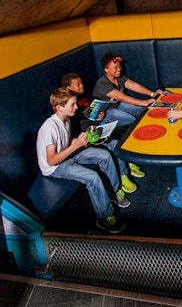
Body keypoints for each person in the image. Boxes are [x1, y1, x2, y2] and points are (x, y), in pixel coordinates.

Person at [36, 87, 130, 234]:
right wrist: (77, 145)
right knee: (93, 177)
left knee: (105, 156)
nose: (77, 106)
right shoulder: (49, 128)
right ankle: (104, 218)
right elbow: (51, 161)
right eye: (72, 104)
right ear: (60, 108)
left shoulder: (65, 120)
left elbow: (64, 142)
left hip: (66, 154)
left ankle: (113, 193)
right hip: (55, 167)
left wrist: (75, 140)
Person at [61, 72, 145, 191]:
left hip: (98, 124)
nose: (82, 86)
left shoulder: (84, 97)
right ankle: (124, 176)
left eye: (81, 83)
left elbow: (92, 111)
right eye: (78, 85)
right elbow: (75, 127)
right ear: (68, 88)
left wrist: (100, 115)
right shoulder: (68, 106)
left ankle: (129, 163)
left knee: (122, 132)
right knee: (113, 143)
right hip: (87, 134)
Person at [92, 52, 166, 127]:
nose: (119, 69)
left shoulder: (119, 77)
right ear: (106, 69)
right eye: (115, 68)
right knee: (132, 120)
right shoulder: (102, 84)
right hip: (105, 112)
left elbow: (135, 86)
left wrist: (153, 94)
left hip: (117, 104)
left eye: (119, 66)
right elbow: (122, 97)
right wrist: (144, 102)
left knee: (141, 111)